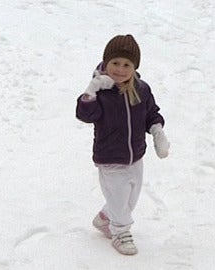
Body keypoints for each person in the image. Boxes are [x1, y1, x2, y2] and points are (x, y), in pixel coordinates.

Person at [76, 34, 170, 255]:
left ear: (134, 66)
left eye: (126, 64)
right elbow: (85, 115)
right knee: (119, 198)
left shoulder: (141, 89)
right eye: (115, 63)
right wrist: (91, 91)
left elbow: (151, 114)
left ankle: (105, 218)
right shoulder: (101, 92)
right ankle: (120, 233)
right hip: (109, 157)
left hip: (135, 155)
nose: (120, 69)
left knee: (130, 199)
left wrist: (158, 133)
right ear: (106, 63)